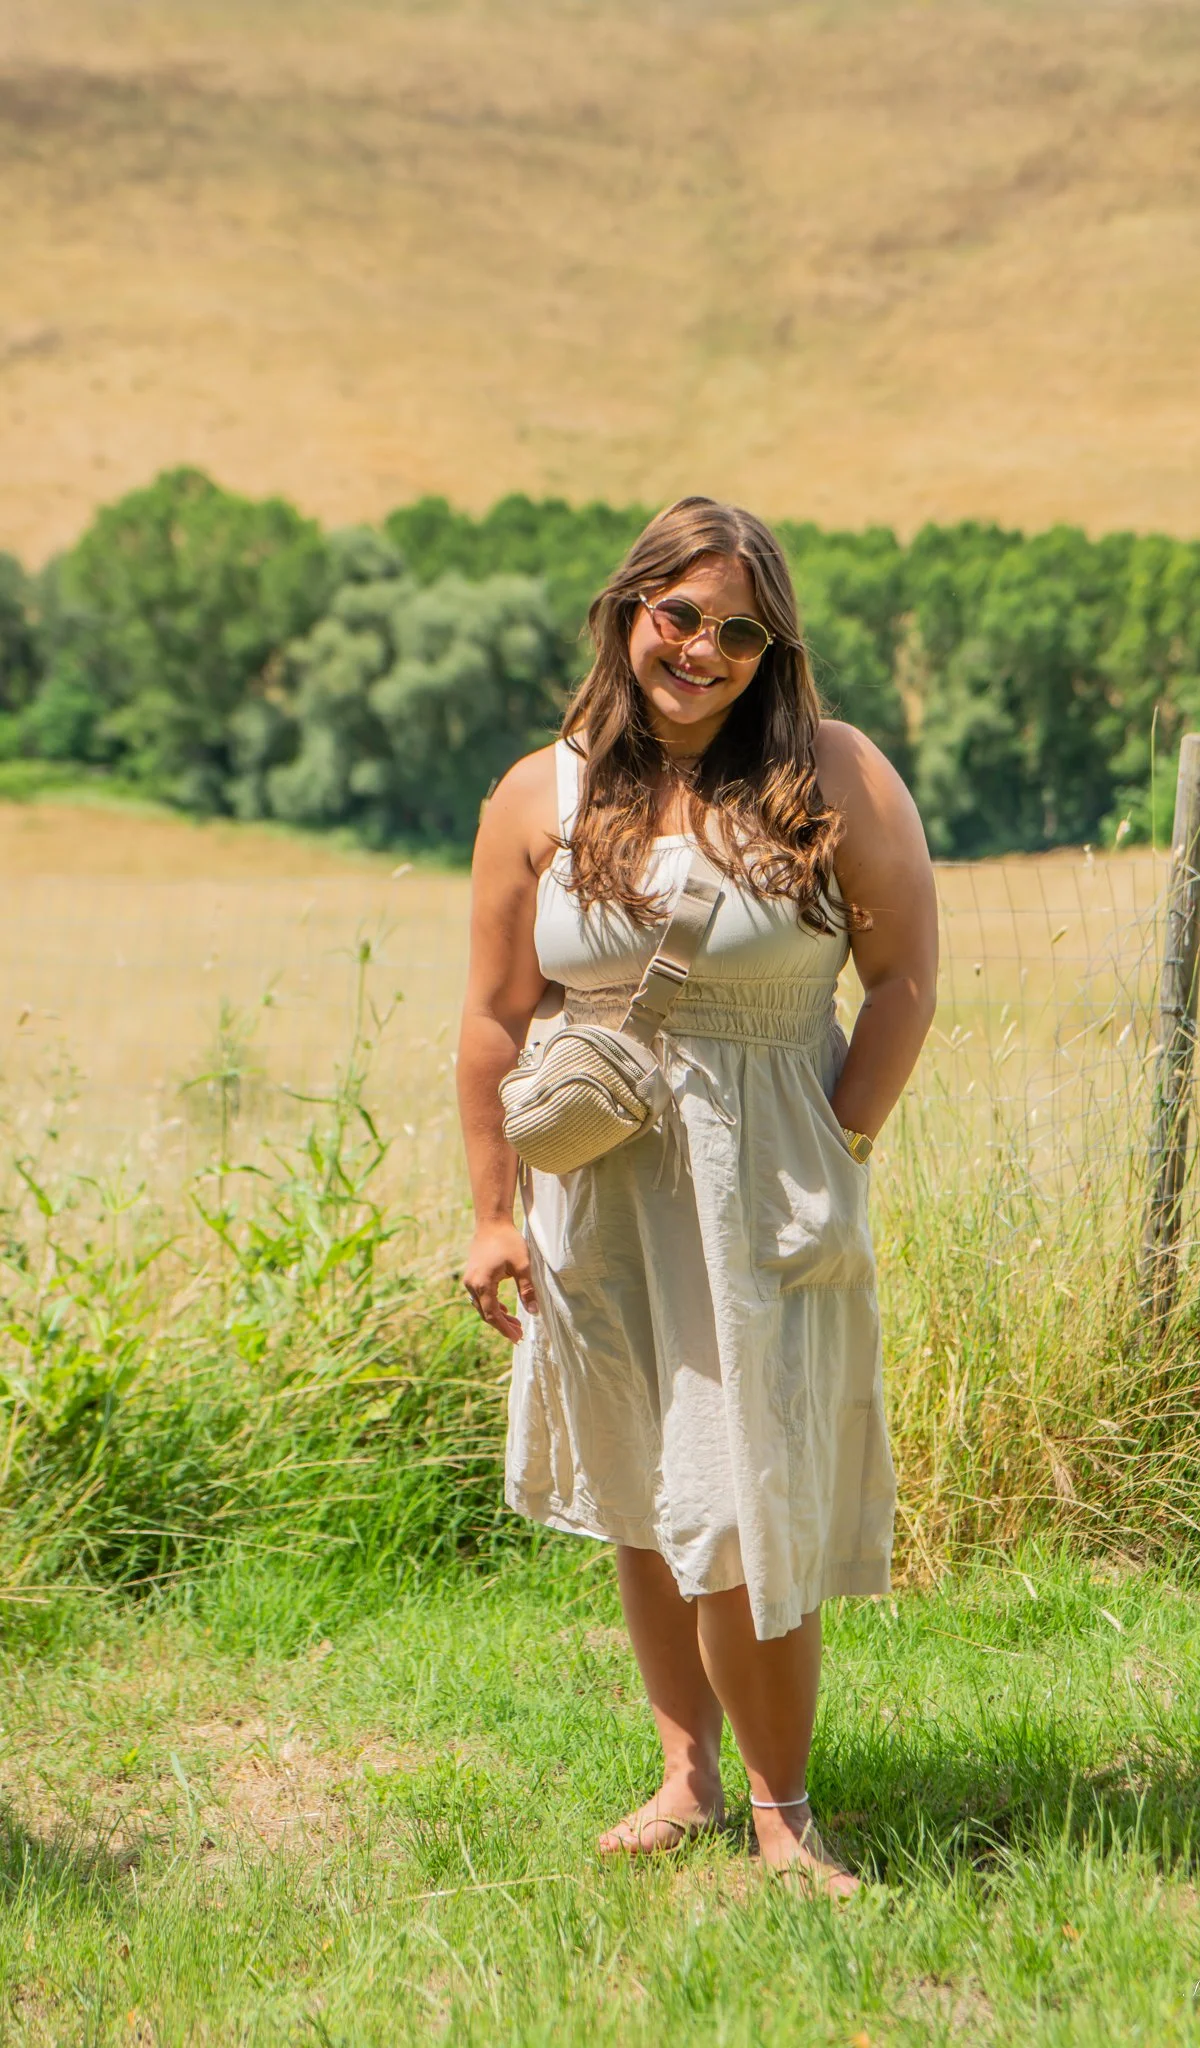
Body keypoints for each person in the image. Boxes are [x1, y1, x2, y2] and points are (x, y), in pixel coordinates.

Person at [457, 497, 937, 1896]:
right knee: (648, 1483)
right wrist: (493, 1214)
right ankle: (685, 1779)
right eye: (681, 616)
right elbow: (493, 1018)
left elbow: (904, 979)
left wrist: (840, 1138)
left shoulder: (832, 771)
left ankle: (785, 1811)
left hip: (767, 1176)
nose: (705, 650)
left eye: (739, 629)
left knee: (750, 1486)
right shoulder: (536, 795)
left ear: (770, 646)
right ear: (628, 614)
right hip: (599, 1186)